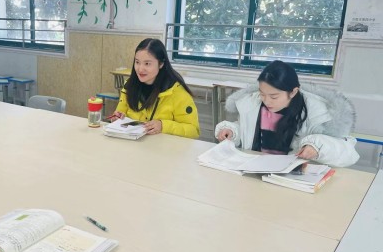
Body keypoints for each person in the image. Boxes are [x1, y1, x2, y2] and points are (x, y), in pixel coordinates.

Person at [215, 60, 359, 167]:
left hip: (289, 177)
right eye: (262, 94)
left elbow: (348, 152)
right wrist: (232, 132)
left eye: (274, 97)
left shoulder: (317, 112)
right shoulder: (253, 104)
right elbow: (246, 131)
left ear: (293, 92)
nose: (266, 101)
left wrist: (318, 148)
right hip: (254, 168)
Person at [112, 38, 200, 138]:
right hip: (132, 144)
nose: (140, 69)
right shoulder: (129, 86)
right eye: (137, 62)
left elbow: (193, 131)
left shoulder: (177, 92)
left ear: (161, 64)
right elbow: (120, 114)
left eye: (147, 64)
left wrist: (163, 125)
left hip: (164, 146)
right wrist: (117, 118)